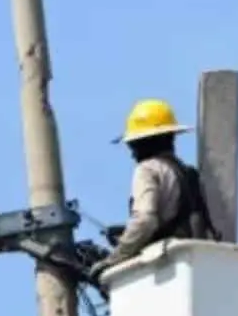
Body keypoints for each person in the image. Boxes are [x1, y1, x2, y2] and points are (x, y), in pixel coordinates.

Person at [89, 99, 219, 283]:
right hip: (191, 262)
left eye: (133, 145)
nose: (132, 153)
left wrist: (113, 260)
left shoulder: (147, 169)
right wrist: (128, 234)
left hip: (163, 267)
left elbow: (145, 221)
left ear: (144, 142)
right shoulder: (187, 173)